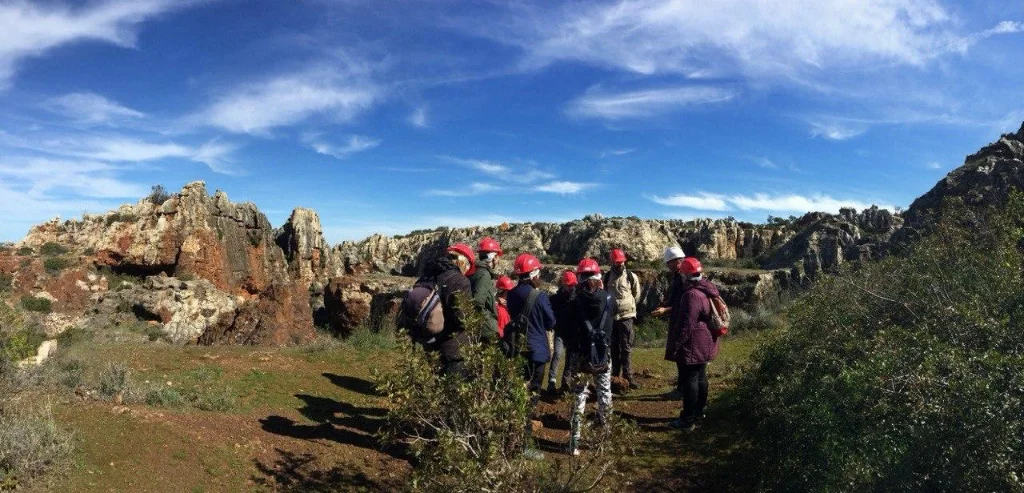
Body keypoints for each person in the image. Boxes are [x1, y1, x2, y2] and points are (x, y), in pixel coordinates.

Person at [505, 253, 556, 460]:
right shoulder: (540, 295)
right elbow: (551, 321)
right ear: (533, 273)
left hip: (518, 350)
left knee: (516, 393)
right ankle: (523, 445)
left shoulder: (512, 294)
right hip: (536, 352)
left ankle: (510, 437)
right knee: (531, 397)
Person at [666, 257, 721, 431]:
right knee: (701, 377)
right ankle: (699, 411)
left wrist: (675, 345)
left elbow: (686, 324)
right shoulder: (705, 288)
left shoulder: (691, 295)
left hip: (693, 343)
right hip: (705, 340)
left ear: (685, 276)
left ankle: (688, 419)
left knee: (690, 379)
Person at [567, 258, 615, 456]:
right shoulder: (609, 299)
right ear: (598, 277)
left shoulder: (575, 302)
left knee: (579, 397)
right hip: (604, 355)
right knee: (605, 393)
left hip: (581, 357)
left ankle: (574, 443)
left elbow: (569, 329)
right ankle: (606, 438)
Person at [417, 243, 475, 376]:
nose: (466, 271)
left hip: (429, 343)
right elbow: (463, 318)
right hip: (452, 348)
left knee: (435, 384)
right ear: (461, 260)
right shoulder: (461, 281)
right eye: (467, 266)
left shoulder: (427, 276)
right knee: (453, 390)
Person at [603, 248, 641, 390]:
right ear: (612, 262)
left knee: (626, 348)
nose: (619, 265)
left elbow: (636, 294)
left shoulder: (631, 276)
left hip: (626, 317)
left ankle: (628, 377)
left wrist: (628, 306)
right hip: (612, 317)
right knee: (613, 347)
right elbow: (605, 294)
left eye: (621, 262)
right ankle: (615, 376)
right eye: (617, 262)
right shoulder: (607, 277)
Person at [651, 246, 686, 398]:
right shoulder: (680, 276)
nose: (668, 266)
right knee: (681, 355)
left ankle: (683, 390)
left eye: (669, 263)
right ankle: (682, 388)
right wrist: (667, 303)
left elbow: (685, 302)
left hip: (682, 320)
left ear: (678, 261)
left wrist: (666, 310)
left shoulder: (683, 278)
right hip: (679, 319)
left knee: (683, 355)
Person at [546, 270, 578, 395]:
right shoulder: (555, 299)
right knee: (557, 354)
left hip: (572, 333)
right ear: (563, 285)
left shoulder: (577, 298)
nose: (571, 288)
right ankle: (552, 382)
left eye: (572, 285)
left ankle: (566, 382)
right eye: (569, 285)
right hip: (560, 331)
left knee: (570, 358)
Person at [469, 237, 502, 342]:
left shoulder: (476, 271)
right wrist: (492, 327)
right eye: (498, 256)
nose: (499, 260)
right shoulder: (484, 274)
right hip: (485, 328)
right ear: (493, 257)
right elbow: (478, 302)